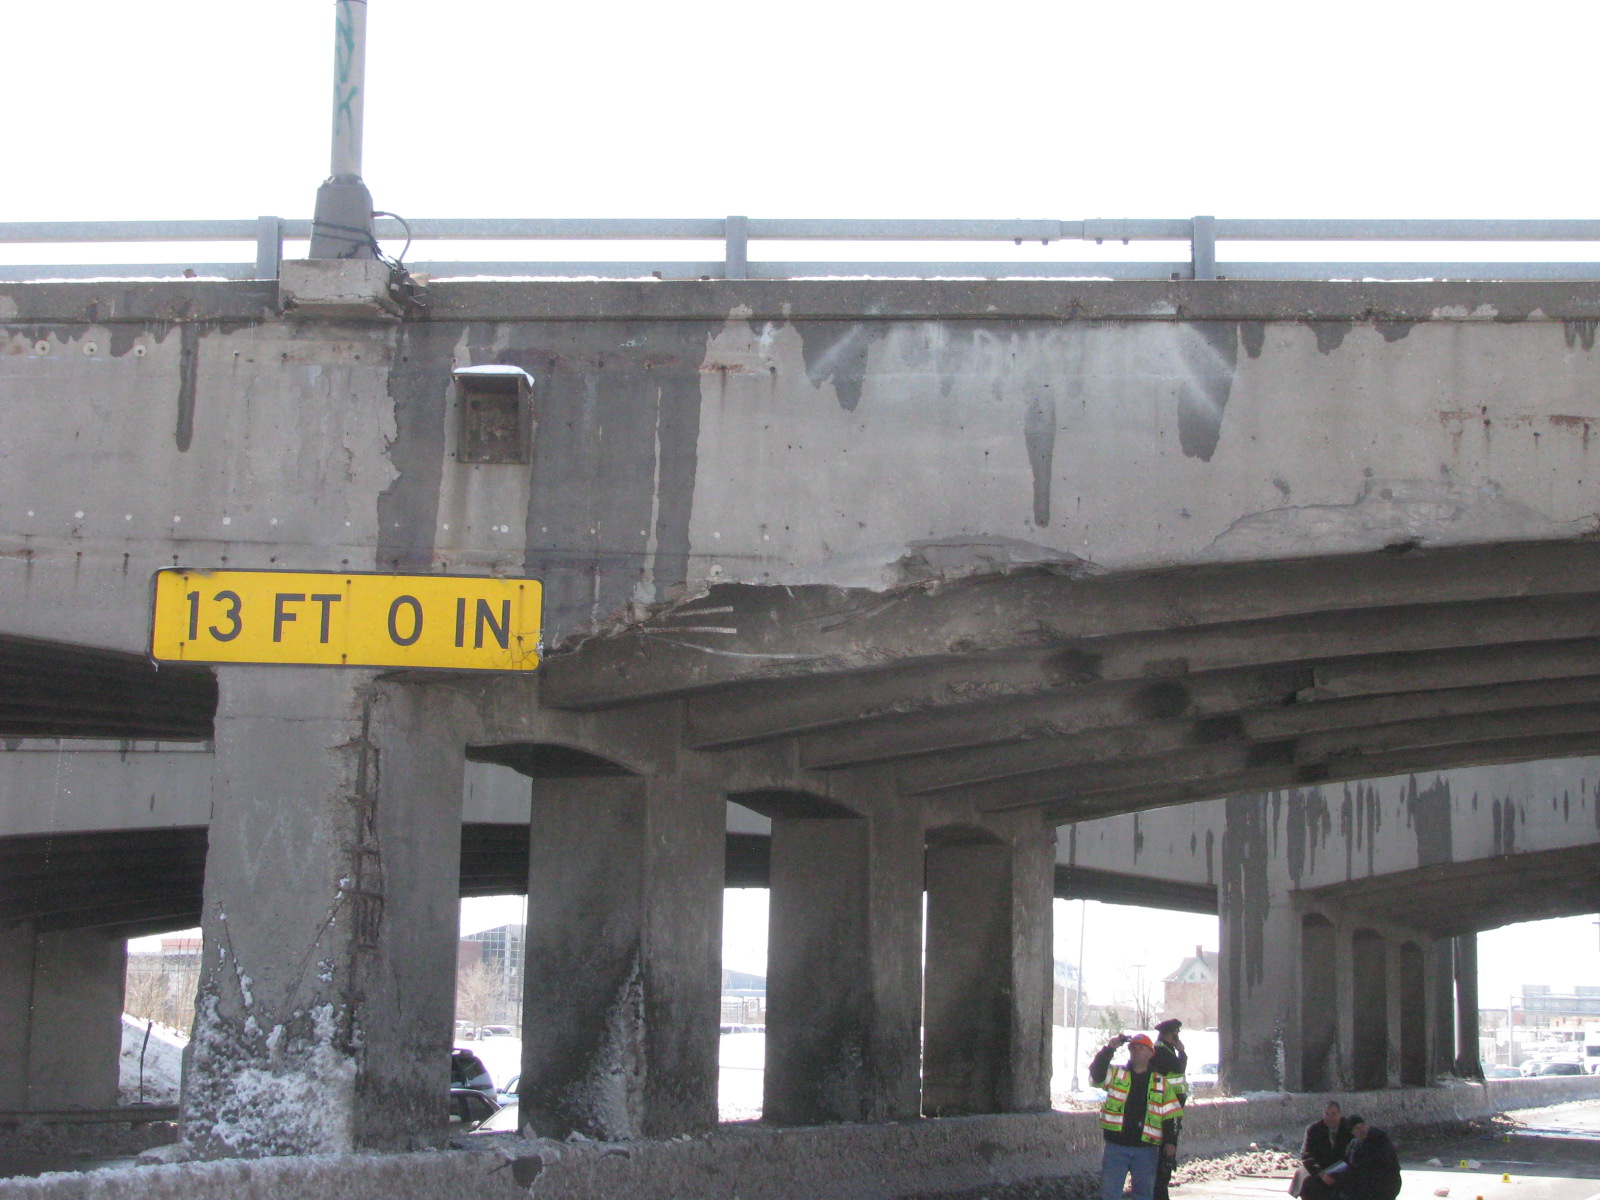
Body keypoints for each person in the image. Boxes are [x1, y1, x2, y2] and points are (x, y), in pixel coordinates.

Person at [1090, 1032, 1183, 1200]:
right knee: (1109, 1194)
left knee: (1144, 1195)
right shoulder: (1117, 1075)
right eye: (1133, 1048)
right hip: (1116, 1146)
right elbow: (1096, 1074)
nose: (1137, 1051)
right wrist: (1110, 1048)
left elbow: (1172, 1115)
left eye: (1141, 1048)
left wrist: (1171, 1142)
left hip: (1146, 1149)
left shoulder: (1160, 1083)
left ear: (1150, 1053)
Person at [1151, 1019, 1189, 1200]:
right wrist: (1182, 1050)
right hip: (1166, 1110)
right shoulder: (1161, 1051)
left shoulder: (1165, 1049)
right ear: (1170, 1034)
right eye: (1176, 1033)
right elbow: (1179, 1068)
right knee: (1166, 1154)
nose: (1178, 1035)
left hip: (1171, 1108)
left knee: (1167, 1153)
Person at [1325, 1115, 1401, 1200]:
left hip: (1385, 1183)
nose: (1361, 1130)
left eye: (1362, 1126)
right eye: (1356, 1128)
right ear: (1352, 1133)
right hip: (1367, 1183)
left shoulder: (1379, 1138)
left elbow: (1372, 1163)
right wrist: (1328, 1172)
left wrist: (1349, 1172)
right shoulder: (1355, 1144)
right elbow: (1346, 1162)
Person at [1297, 1100, 1352, 1200]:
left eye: (1333, 1114)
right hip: (1320, 1169)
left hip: (1343, 1170)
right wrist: (1320, 1173)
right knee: (1306, 1178)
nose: (1330, 1118)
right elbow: (1306, 1154)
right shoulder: (1313, 1130)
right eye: (1327, 1114)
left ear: (1340, 1114)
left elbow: (1355, 1152)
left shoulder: (1349, 1129)